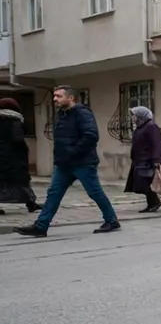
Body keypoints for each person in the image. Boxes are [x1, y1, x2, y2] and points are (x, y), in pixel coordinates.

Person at [13, 85, 121, 237]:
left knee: (95, 192)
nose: (55, 99)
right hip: (63, 164)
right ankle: (41, 226)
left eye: (59, 96)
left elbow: (91, 135)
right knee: (53, 194)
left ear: (71, 98)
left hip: (82, 163)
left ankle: (111, 220)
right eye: (55, 96)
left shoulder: (82, 113)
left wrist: (73, 151)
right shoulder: (61, 114)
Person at [0, 97, 42, 215]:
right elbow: (18, 139)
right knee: (22, 181)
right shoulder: (14, 121)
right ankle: (31, 203)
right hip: (13, 158)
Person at [125, 106, 161, 213]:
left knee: (146, 183)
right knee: (142, 184)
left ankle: (155, 203)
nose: (132, 118)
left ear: (140, 115)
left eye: (134, 115)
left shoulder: (151, 126)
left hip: (148, 160)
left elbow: (156, 144)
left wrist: (157, 160)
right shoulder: (140, 127)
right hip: (139, 160)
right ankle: (152, 203)